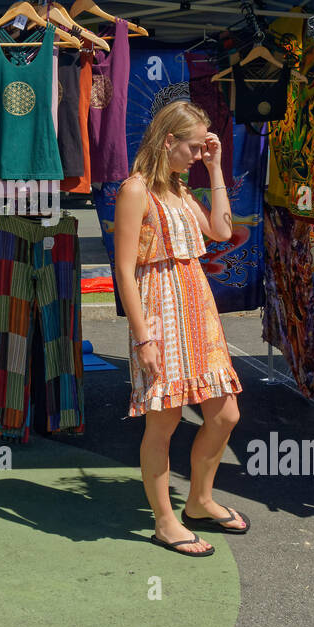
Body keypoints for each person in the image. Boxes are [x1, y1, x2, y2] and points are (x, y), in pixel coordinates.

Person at [113, 100, 246, 558]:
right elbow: (124, 270)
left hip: (196, 307)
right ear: (168, 141)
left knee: (225, 414)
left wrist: (215, 168)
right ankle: (165, 521)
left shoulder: (179, 189)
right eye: (193, 147)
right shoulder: (135, 190)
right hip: (159, 311)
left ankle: (199, 501)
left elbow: (222, 232)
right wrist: (143, 337)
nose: (197, 154)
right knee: (164, 420)